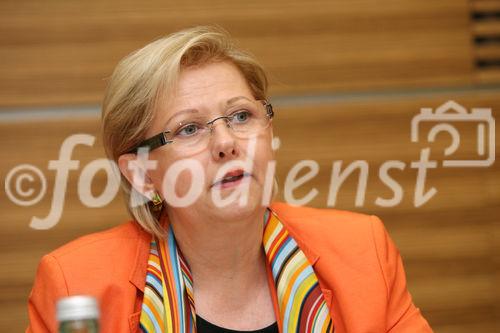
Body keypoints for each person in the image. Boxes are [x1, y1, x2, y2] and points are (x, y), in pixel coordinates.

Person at [26, 26, 433, 333]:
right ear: (143, 174)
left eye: (241, 116)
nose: (226, 142)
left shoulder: (362, 253)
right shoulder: (75, 286)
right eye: (189, 129)